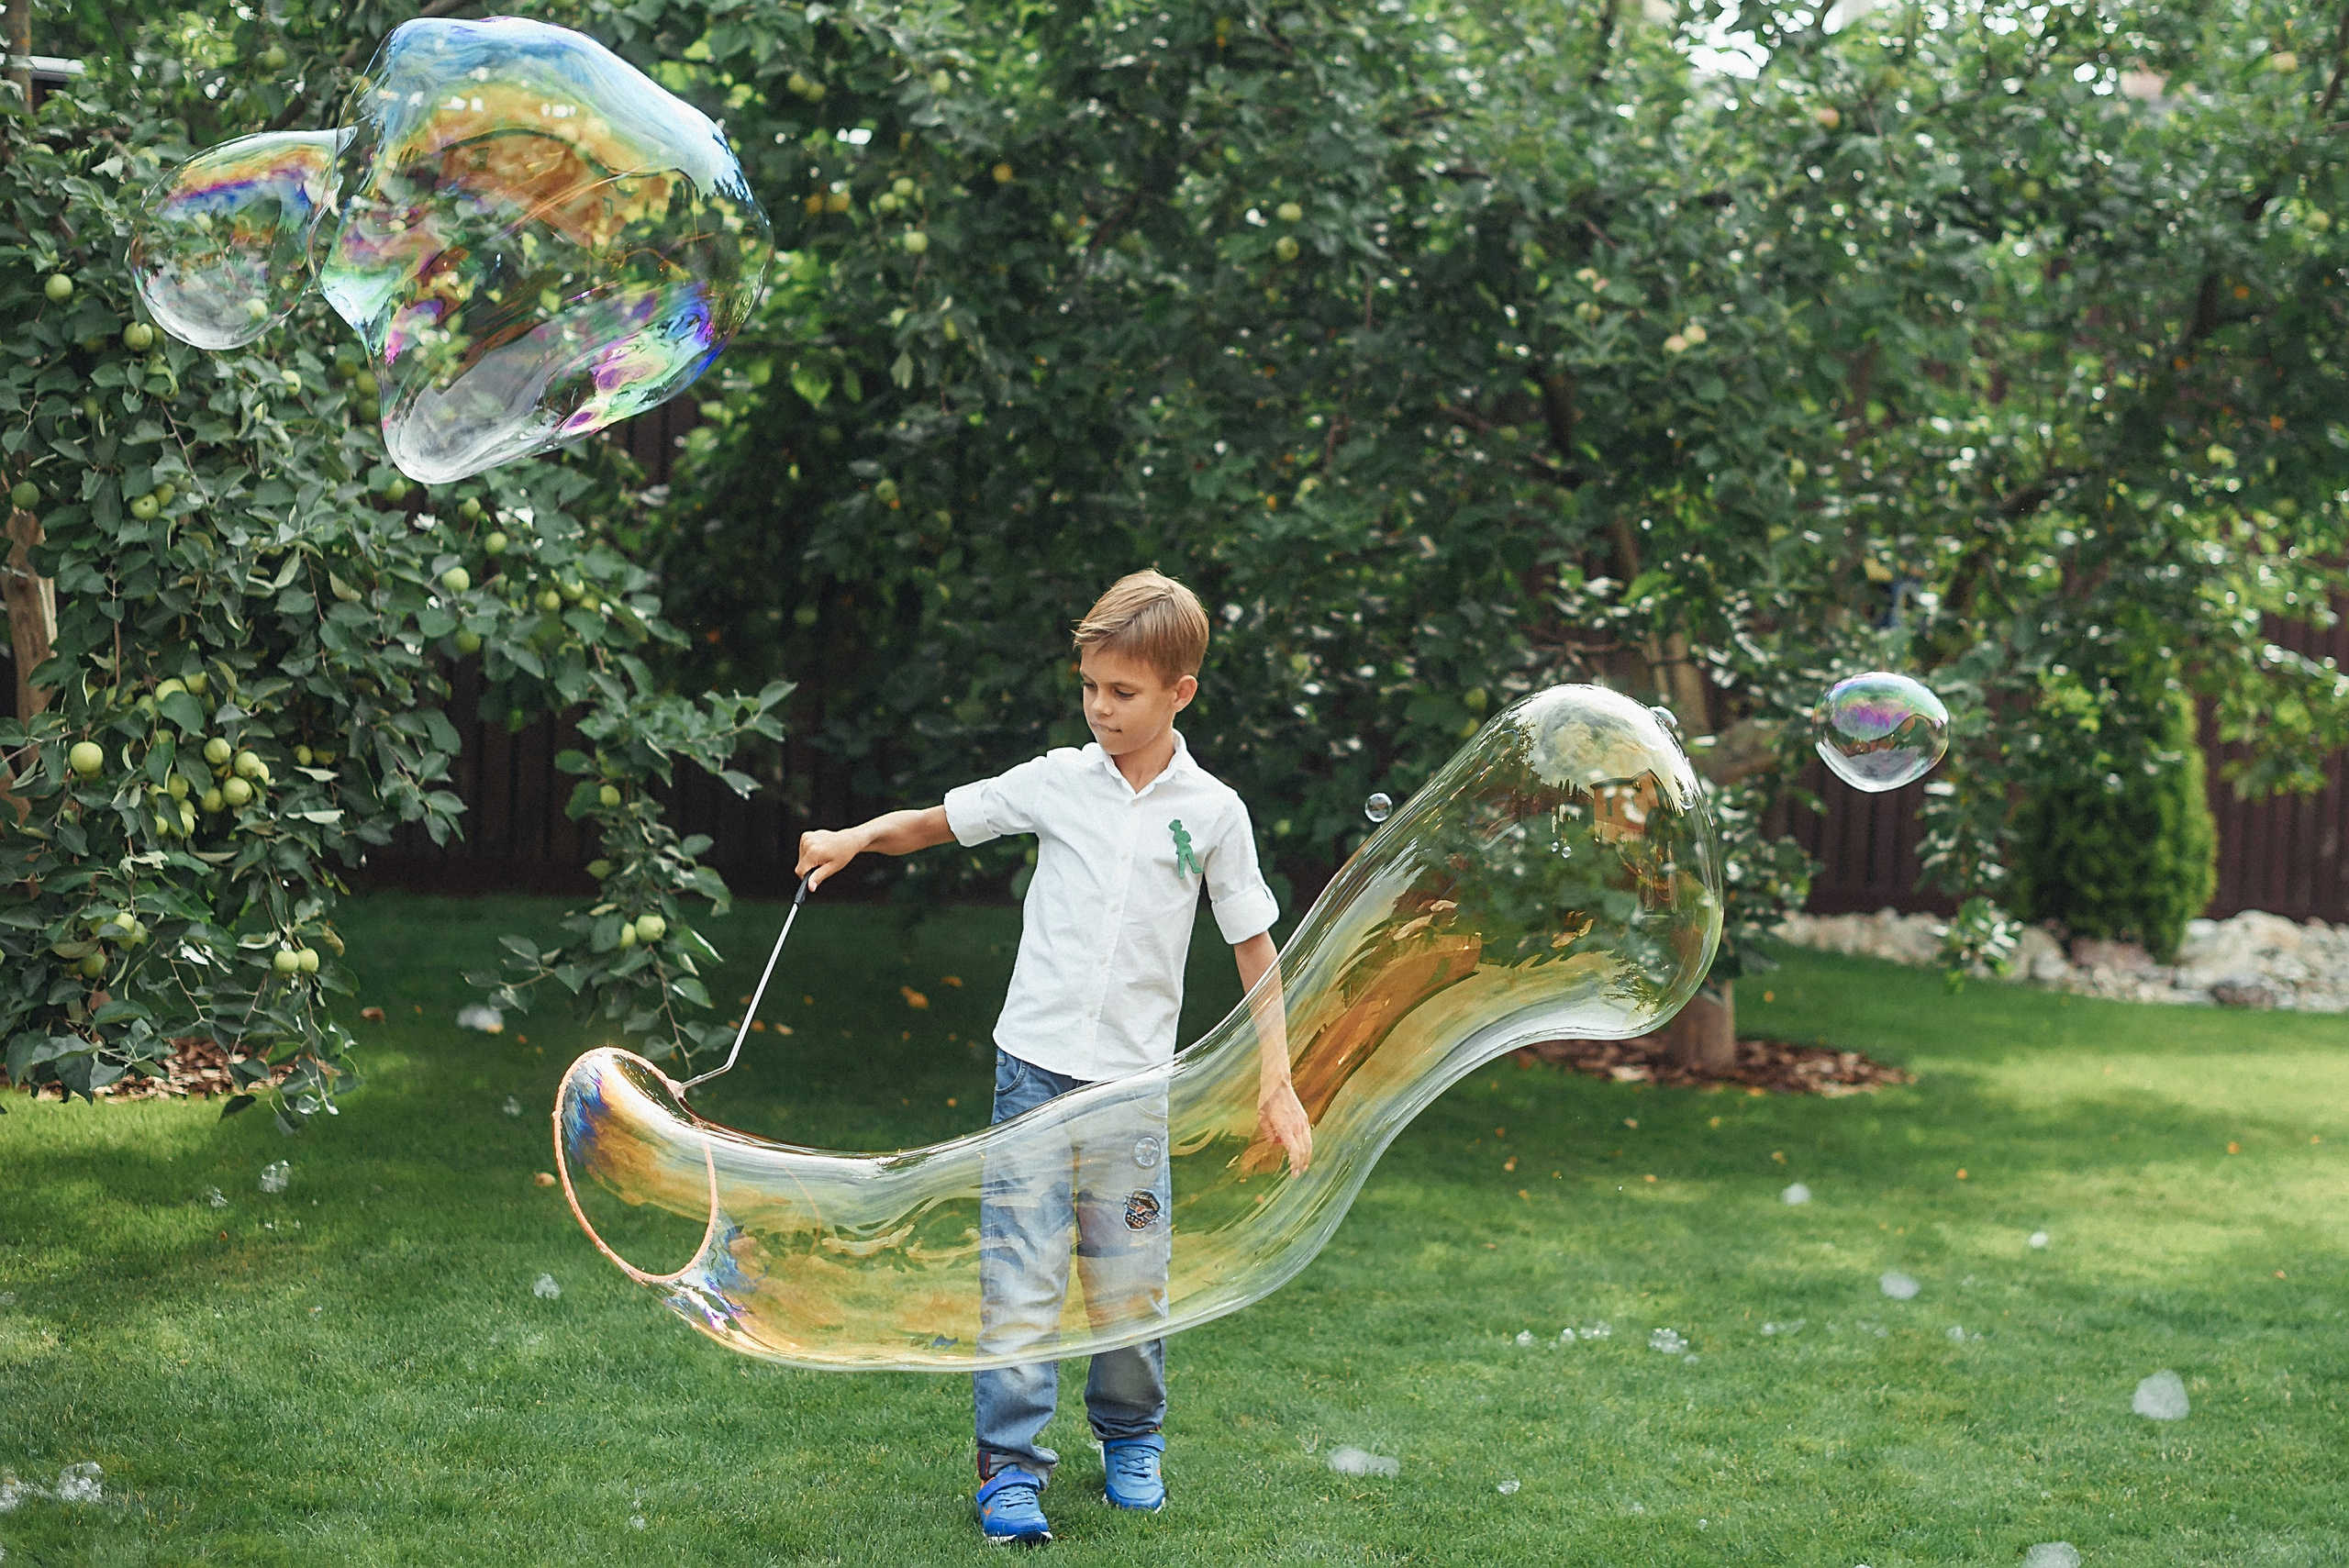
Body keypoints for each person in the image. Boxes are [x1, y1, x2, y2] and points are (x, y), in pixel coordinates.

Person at [795, 569, 1313, 1545]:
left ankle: (1132, 1435)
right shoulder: (1056, 781)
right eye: (1089, 687)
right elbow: (937, 822)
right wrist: (853, 837)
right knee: (1021, 1278)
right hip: (1030, 1076)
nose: (1100, 708)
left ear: (1180, 692)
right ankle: (1009, 1468)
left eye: (1122, 691)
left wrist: (1276, 1080)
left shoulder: (1214, 812)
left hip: (1132, 1092)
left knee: (1129, 1283)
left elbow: (1256, 949)